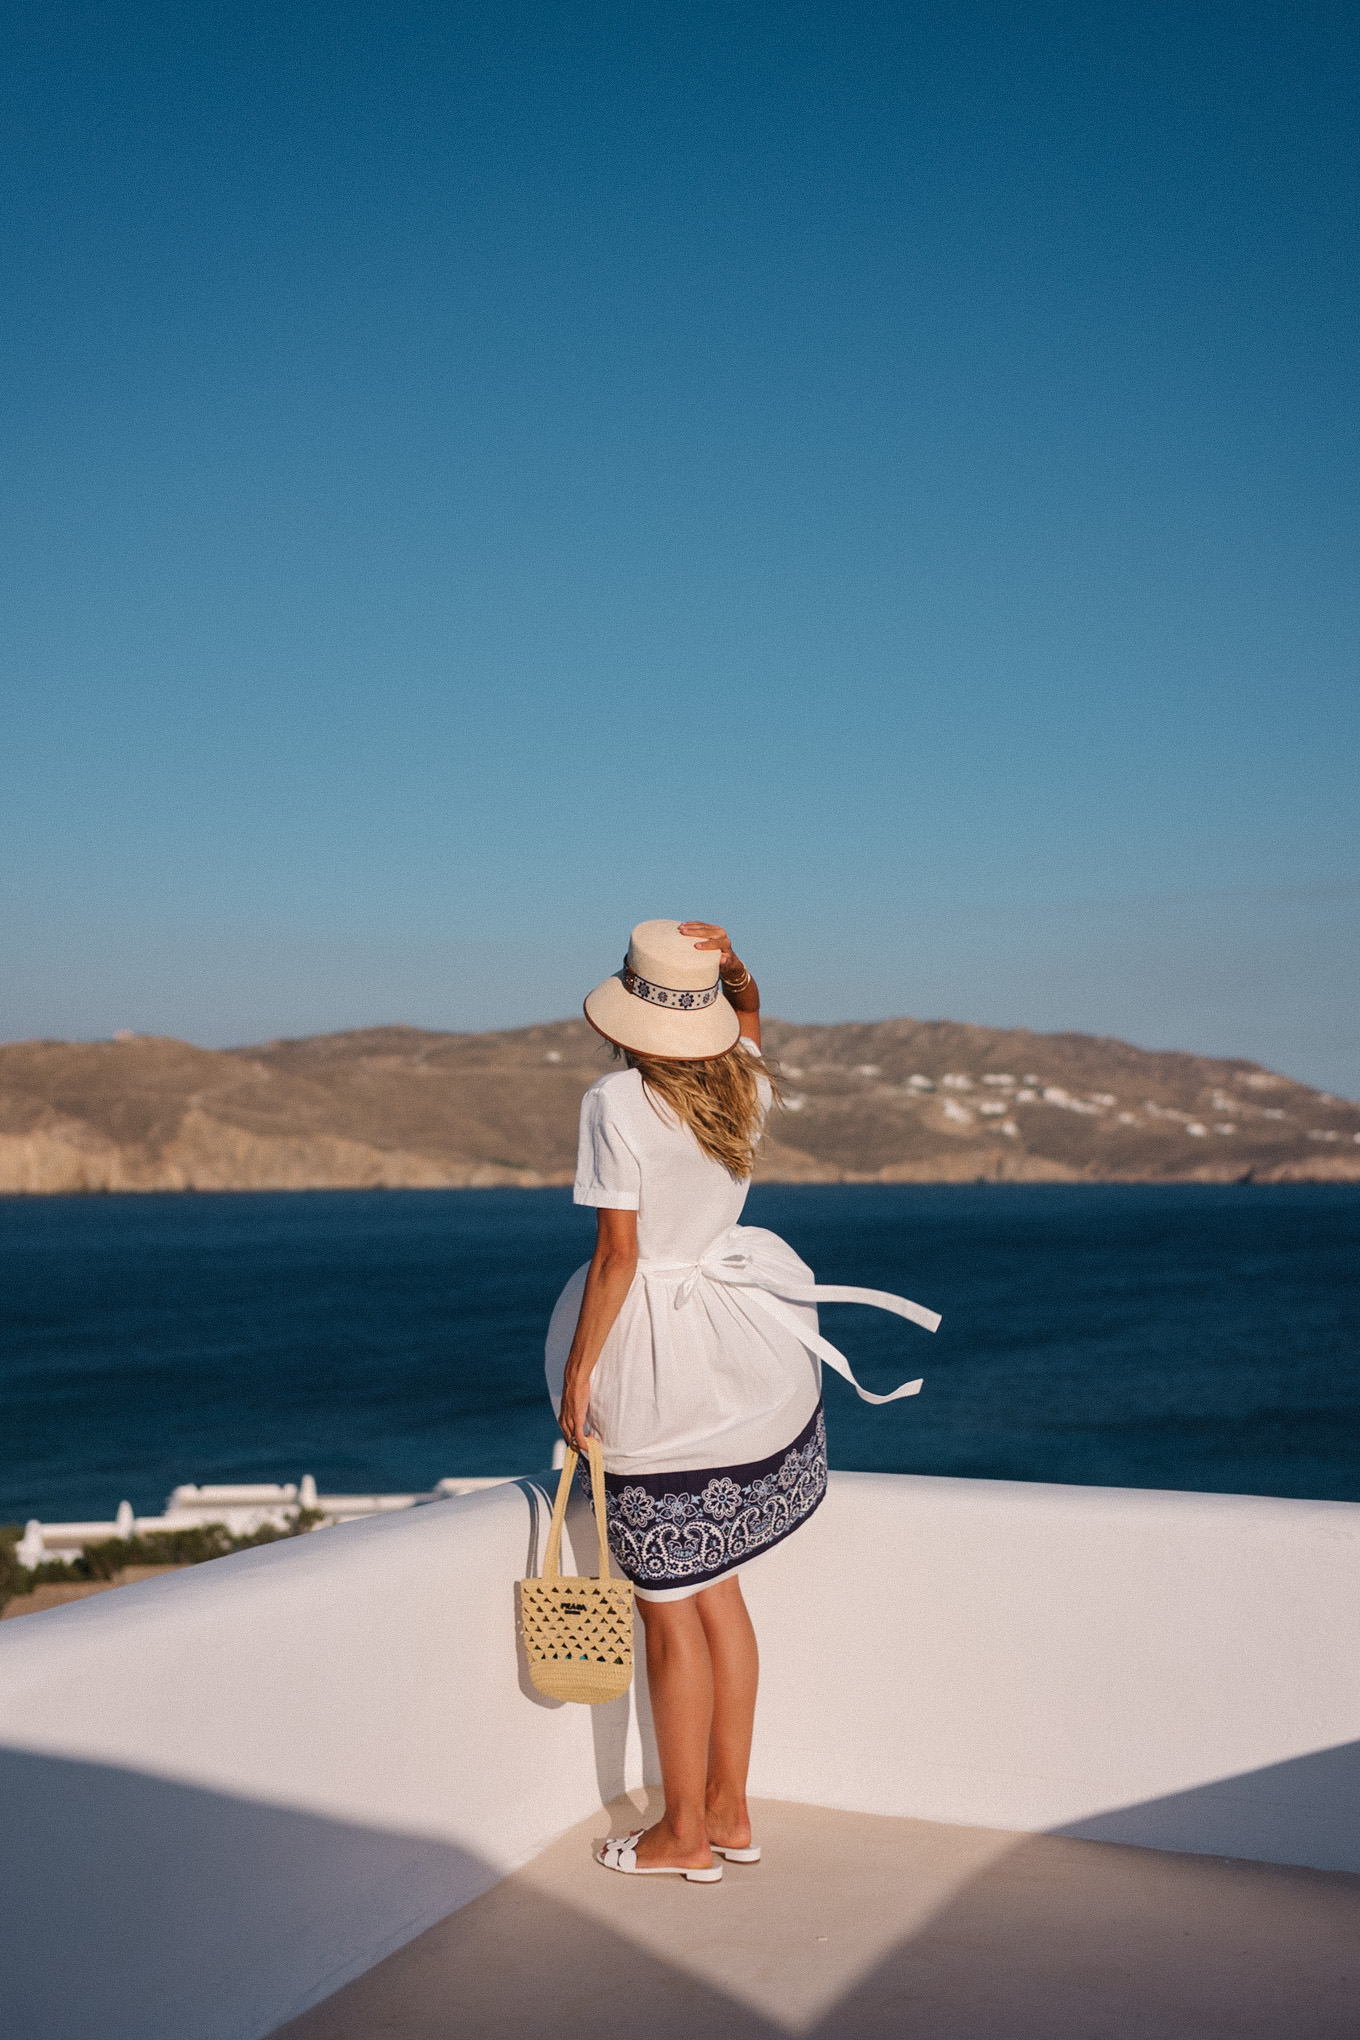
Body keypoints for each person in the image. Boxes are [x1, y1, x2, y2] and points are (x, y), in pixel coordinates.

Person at [545, 919, 938, 1881]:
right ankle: (728, 1809)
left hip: (661, 1364)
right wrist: (738, 973)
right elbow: (752, 1021)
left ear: (627, 1012)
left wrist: (579, 1372)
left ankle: (683, 1837)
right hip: (742, 1356)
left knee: (668, 1608)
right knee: (718, 1590)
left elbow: (619, 1256)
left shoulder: (617, 1102)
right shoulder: (741, 1081)